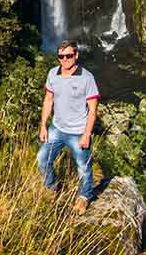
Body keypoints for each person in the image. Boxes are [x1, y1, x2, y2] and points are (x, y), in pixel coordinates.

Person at [37, 40, 100, 213]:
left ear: (76, 55)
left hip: (78, 132)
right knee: (42, 160)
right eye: (61, 56)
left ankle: (85, 197)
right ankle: (51, 187)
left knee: (83, 167)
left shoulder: (87, 78)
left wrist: (87, 134)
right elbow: (48, 100)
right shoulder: (52, 74)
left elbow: (93, 110)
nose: (65, 59)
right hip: (56, 129)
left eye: (69, 56)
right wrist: (43, 126)